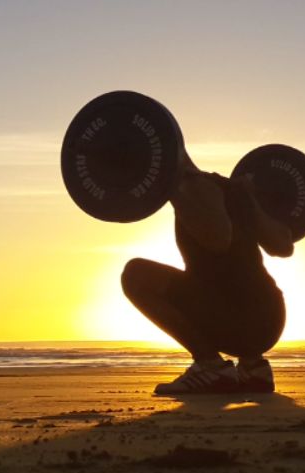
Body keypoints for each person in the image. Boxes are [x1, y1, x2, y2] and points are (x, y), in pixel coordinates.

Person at [121, 152, 293, 395]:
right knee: (226, 276)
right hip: (271, 319)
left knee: (135, 275)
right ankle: (254, 368)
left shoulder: (192, 188)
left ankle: (210, 365)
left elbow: (219, 239)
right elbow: (283, 245)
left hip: (238, 321)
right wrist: (249, 199)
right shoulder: (230, 187)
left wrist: (174, 193)